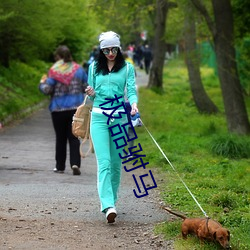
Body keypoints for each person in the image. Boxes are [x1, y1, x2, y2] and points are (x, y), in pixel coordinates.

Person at [85, 31, 138, 223]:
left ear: (119, 48)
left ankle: (113, 201)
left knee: (116, 164)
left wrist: (133, 104)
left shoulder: (127, 68)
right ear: (101, 50)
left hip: (120, 119)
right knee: (104, 163)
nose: (110, 53)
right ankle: (107, 205)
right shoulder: (93, 68)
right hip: (99, 118)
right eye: (106, 50)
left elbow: (131, 90)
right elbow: (91, 97)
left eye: (114, 49)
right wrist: (90, 92)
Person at [39, 45, 88, 175]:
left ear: (58, 57)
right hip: (75, 109)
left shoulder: (54, 71)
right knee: (74, 137)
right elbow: (86, 87)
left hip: (58, 109)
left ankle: (60, 166)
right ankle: (75, 163)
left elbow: (47, 90)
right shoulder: (79, 70)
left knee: (60, 138)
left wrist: (42, 83)